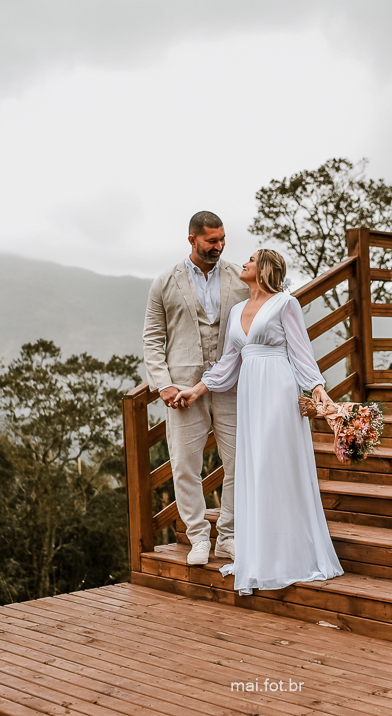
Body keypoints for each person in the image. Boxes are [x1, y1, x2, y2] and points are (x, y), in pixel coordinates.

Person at [175, 249, 344, 595]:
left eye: (251, 260)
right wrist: (196, 390)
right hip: (250, 394)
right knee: (255, 467)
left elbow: (301, 352)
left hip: (279, 389)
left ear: (265, 268)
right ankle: (263, 554)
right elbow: (228, 362)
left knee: (274, 464)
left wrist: (317, 389)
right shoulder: (237, 310)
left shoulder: (285, 304)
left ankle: (289, 554)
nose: (245, 263)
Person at [143, 211, 249, 565]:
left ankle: (228, 536)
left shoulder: (240, 278)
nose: (219, 246)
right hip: (182, 391)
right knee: (185, 466)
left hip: (231, 384)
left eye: (222, 239)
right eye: (211, 241)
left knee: (238, 462)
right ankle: (199, 537)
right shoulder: (164, 282)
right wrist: (163, 385)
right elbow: (152, 339)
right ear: (192, 239)